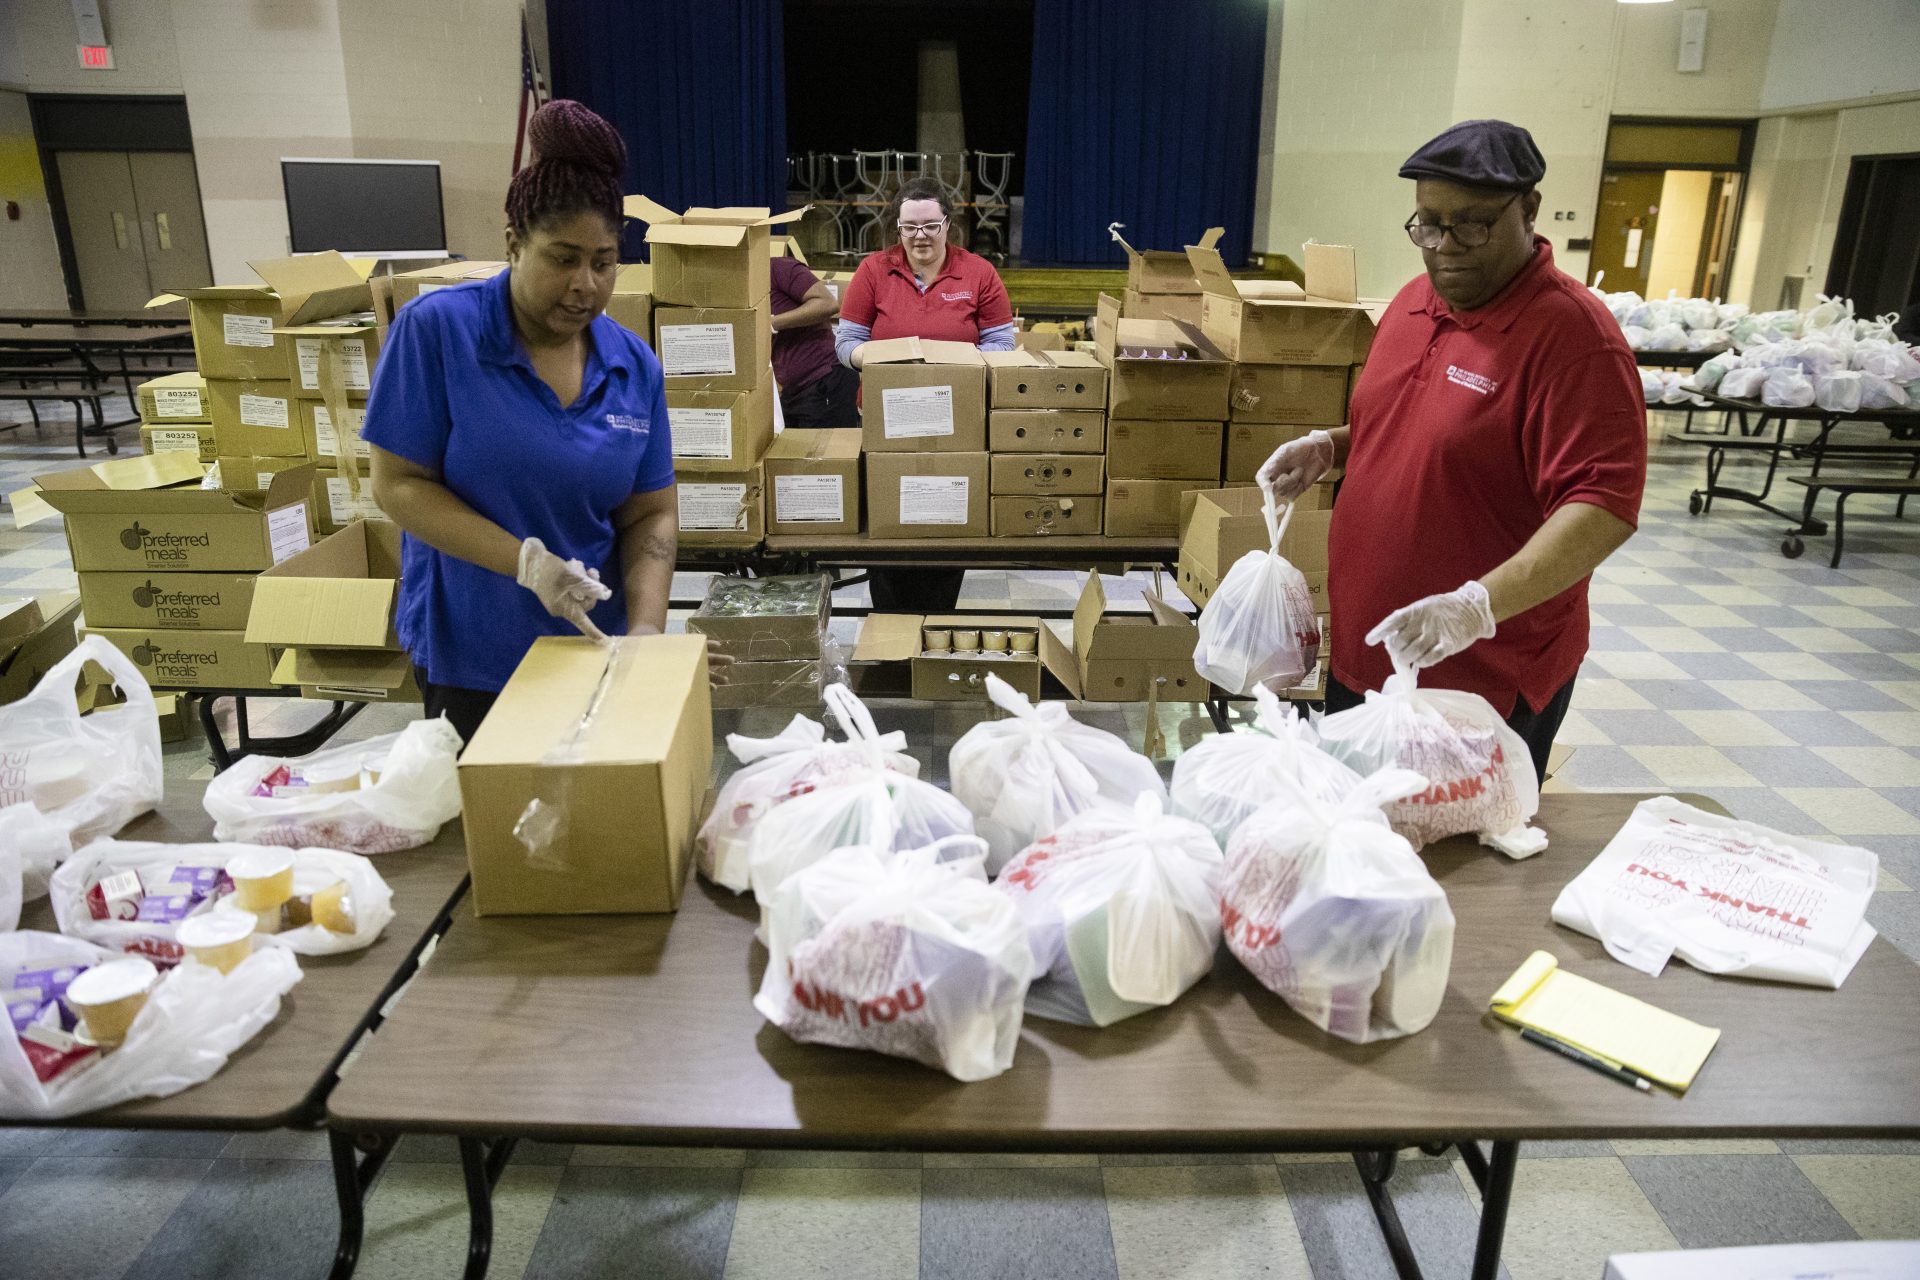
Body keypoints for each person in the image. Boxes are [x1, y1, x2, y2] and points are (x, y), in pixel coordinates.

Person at [1259, 119, 1646, 782]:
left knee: (1455, 873)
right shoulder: (1413, 303)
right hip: (1372, 650)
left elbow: (1603, 506)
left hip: (1477, 678)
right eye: (1427, 224)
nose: (1444, 248)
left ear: (1527, 209)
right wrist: (1334, 447)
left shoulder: (1573, 339)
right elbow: (1431, 432)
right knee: (1359, 842)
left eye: (1471, 224)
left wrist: (1478, 604)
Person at [361, 100, 678, 745]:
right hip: (474, 653)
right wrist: (527, 563)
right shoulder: (439, 332)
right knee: (493, 831)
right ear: (513, 244)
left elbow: (650, 512)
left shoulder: (632, 366)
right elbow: (398, 485)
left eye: (603, 261)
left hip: (594, 647)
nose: (585, 284)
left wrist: (644, 628)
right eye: (562, 258)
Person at [835, 176, 1016, 611]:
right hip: (886, 418)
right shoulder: (874, 270)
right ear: (896, 227)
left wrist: (958, 366)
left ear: (947, 224)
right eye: (910, 227)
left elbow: (1002, 344)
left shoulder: (978, 272)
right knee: (891, 522)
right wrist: (892, 364)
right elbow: (846, 345)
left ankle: (937, 623)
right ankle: (890, 630)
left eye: (930, 225)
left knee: (945, 521)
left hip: (956, 420)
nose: (920, 236)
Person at [770, 253, 857, 428]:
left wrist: (772, 323)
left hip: (824, 379)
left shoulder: (778, 268)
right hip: (792, 390)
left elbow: (827, 303)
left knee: (826, 453)